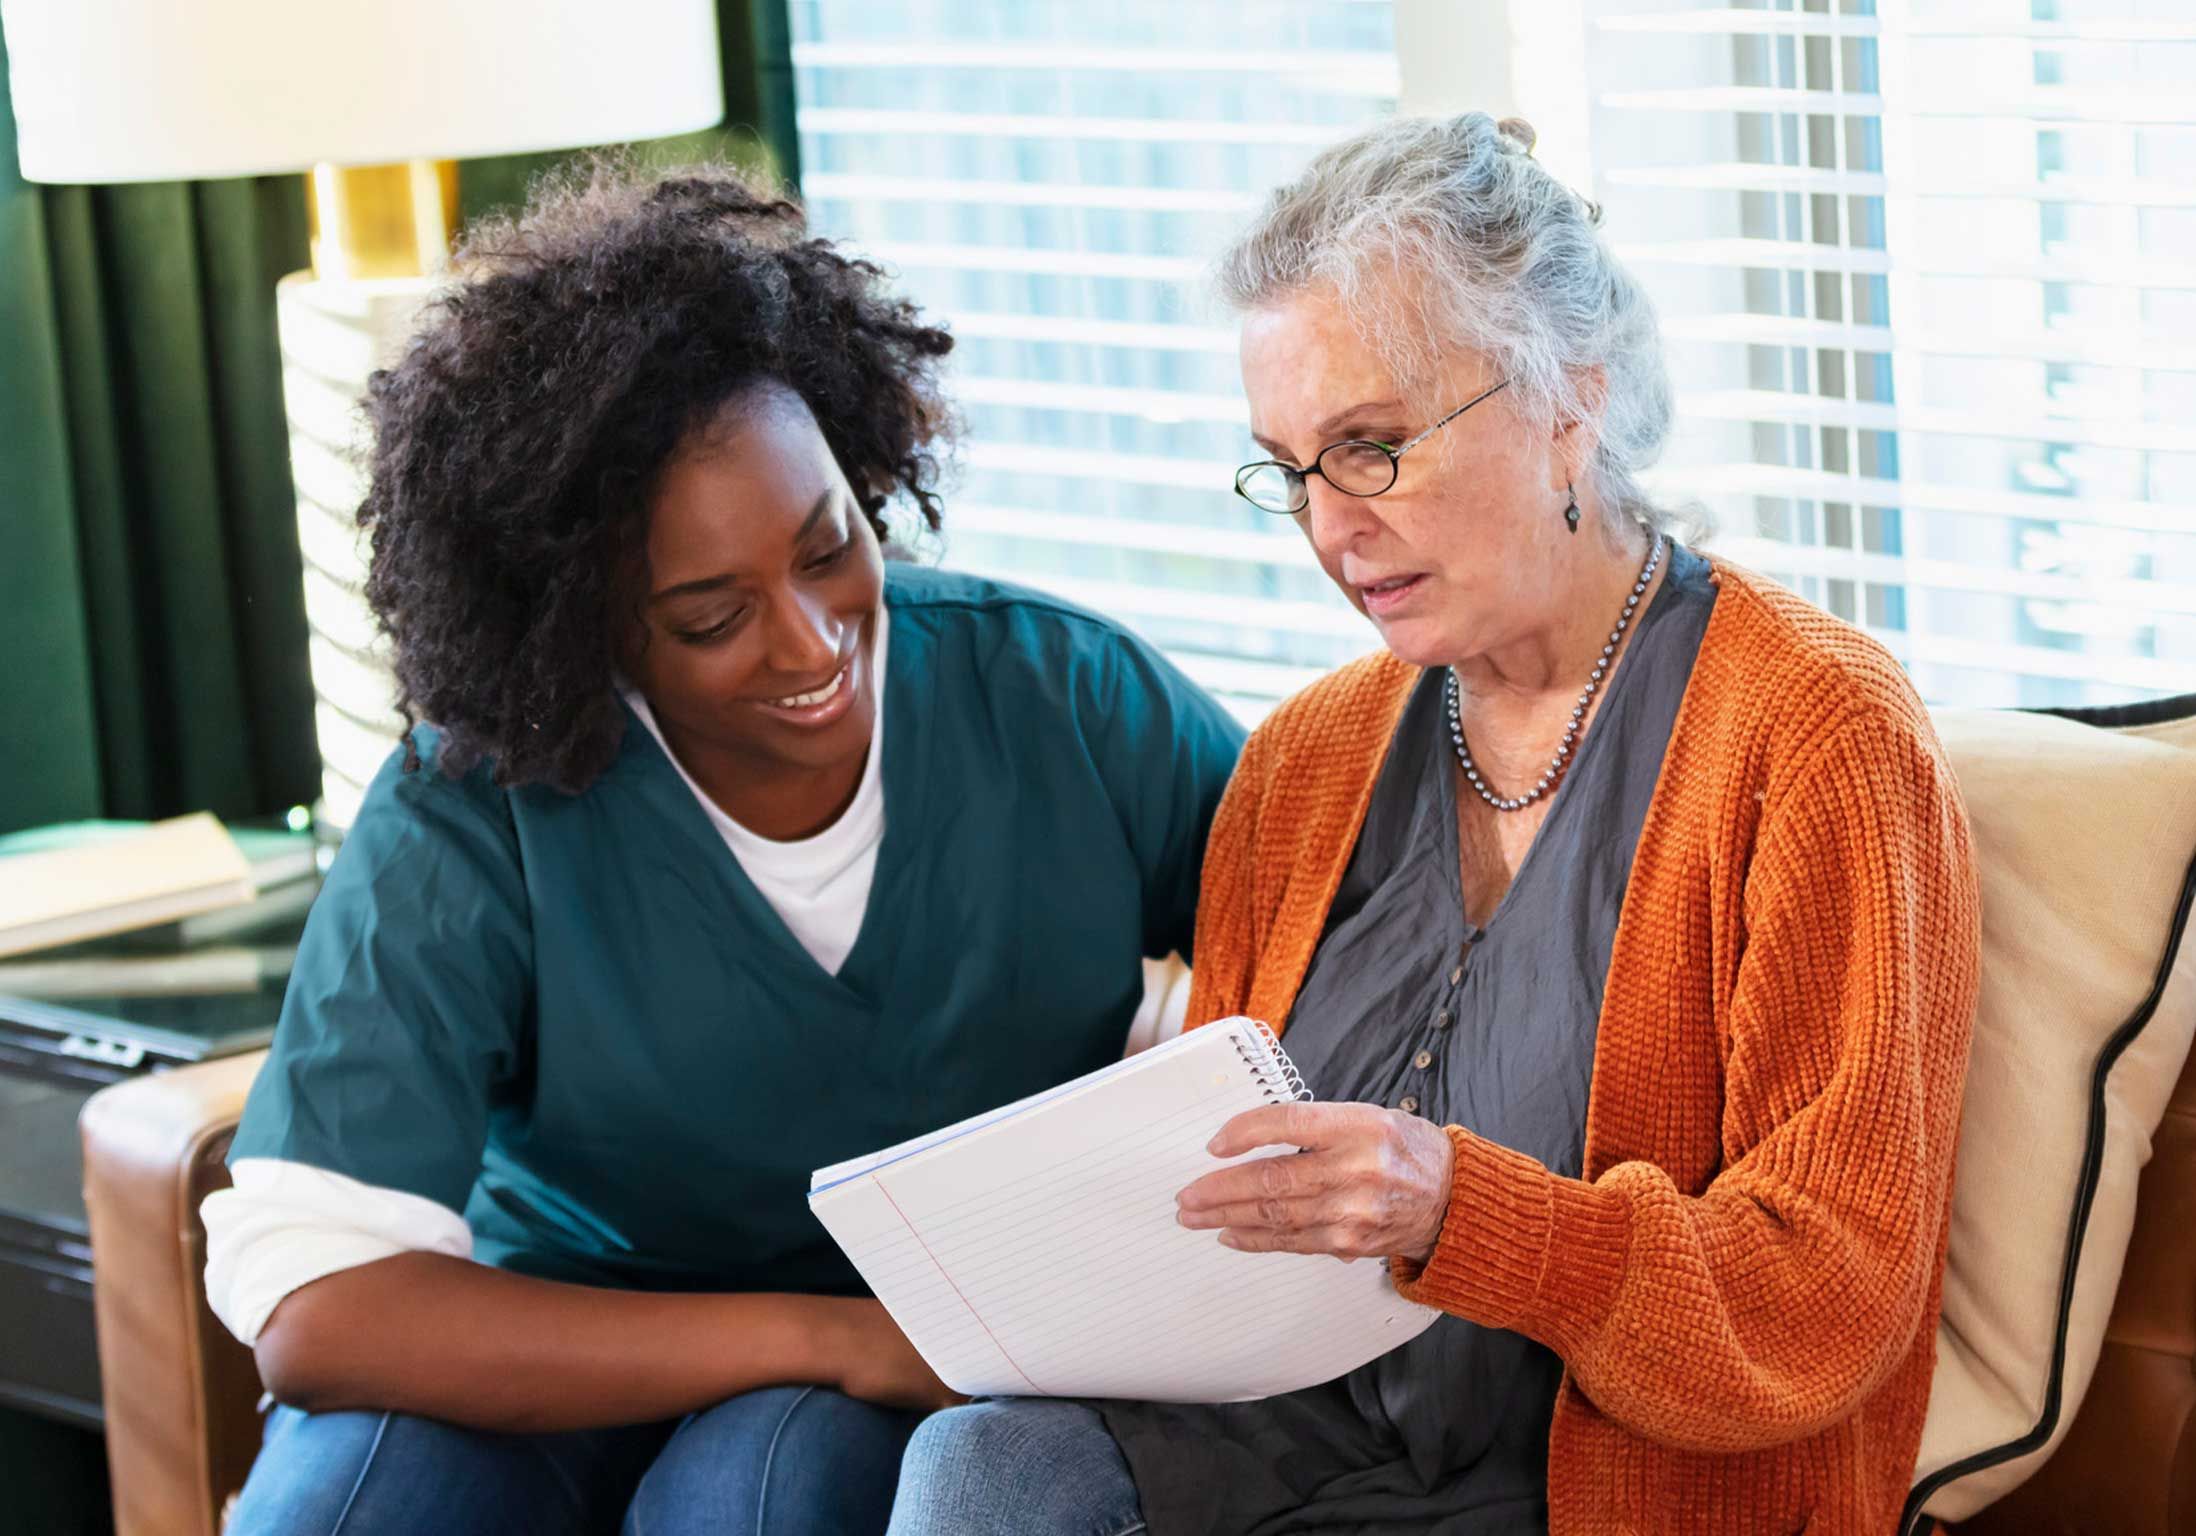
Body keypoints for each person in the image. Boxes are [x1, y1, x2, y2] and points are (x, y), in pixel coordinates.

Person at [889, 113, 1980, 1536]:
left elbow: (1827, 1300)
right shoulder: (1299, 764)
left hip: (1600, 1492)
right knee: (979, 1466)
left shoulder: (1816, 740)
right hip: (1289, 1451)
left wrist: (1467, 1211)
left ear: (1568, 401)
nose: (1328, 527)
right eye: (1288, 469)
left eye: (1373, 448)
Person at [202, 163, 1244, 1536]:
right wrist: (827, 1336)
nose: (813, 645)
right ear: (589, 628)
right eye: (709, 618)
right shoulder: (478, 803)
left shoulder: (1063, 697)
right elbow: (320, 1309)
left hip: (905, 1387)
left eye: (831, 549)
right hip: (554, 1345)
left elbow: (1360, 960)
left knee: (762, 1495)